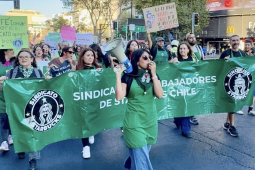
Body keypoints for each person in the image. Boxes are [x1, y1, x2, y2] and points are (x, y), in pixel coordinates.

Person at [0, 50, 49, 170]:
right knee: (19, 132)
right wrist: (1, 82)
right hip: (17, 109)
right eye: (21, 57)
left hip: (34, 110)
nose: (23, 58)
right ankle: (20, 148)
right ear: (18, 59)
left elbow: (46, 90)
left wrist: (49, 81)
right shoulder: (11, 73)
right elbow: (2, 90)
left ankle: (33, 159)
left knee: (33, 134)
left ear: (32, 59)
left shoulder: (38, 73)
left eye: (26, 56)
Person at [115, 49, 163, 169]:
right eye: (145, 58)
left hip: (150, 121)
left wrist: (153, 74)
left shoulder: (154, 76)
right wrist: (117, 75)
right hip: (134, 123)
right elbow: (119, 96)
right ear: (136, 61)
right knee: (142, 162)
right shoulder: (128, 77)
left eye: (150, 57)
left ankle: (131, 164)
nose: (149, 60)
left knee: (141, 154)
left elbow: (159, 94)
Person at [76, 48, 102, 159]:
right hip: (83, 101)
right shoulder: (77, 69)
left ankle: (92, 131)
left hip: (95, 100)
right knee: (84, 122)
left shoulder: (99, 68)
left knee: (93, 119)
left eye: (92, 55)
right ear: (82, 57)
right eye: (88, 55)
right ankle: (85, 147)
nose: (90, 57)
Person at [220, 34, 246, 137]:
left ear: (239, 42)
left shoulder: (243, 54)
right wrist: (224, 61)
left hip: (240, 82)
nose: (235, 42)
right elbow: (218, 67)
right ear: (230, 42)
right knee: (232, 103)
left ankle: (227, 123)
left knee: (233, 103)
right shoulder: (225, 53)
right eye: (233, 40)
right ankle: (232, 126)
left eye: (237, 40)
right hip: (228, 83)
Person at [172, 42, 195, 138]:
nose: (182, 50)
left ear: (188, 50)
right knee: (181, 105)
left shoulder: (192, 59)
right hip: (178, 86)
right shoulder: (176, 59)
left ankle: (183, 126)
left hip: (188, 86)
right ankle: (182, 125)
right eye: (180, 49)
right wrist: (172, 63)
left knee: (186, 106)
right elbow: (168, 69)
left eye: (184, 48)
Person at [186, 32, 205, 125]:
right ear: (187, 40)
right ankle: (190, 115)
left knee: (195, 95)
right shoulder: (185, 49)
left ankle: (192, 113)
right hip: (188, 76)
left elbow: (202, 60)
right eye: (190, 38)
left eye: (193, 37)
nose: (192, 39)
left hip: (198, 75)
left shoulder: (199, 48)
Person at [0, 49, 15, 152]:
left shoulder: (15, 62)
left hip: (13, 93)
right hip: (1, 94)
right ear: (5, 51)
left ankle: (10, 135)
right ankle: (4, 141)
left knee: (11, 116)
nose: (13, 51)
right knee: (2, 117)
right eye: (11, 50)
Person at [236, 39, 255, 115]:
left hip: (252, 76)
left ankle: (250, 109)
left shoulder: (253, 54)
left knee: (253, 93)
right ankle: (237, 108)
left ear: (251, 45)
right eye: (246, 45)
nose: (247, 46)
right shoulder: (241, 53)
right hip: (243, 76)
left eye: (248, 45)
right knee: (241, 91)